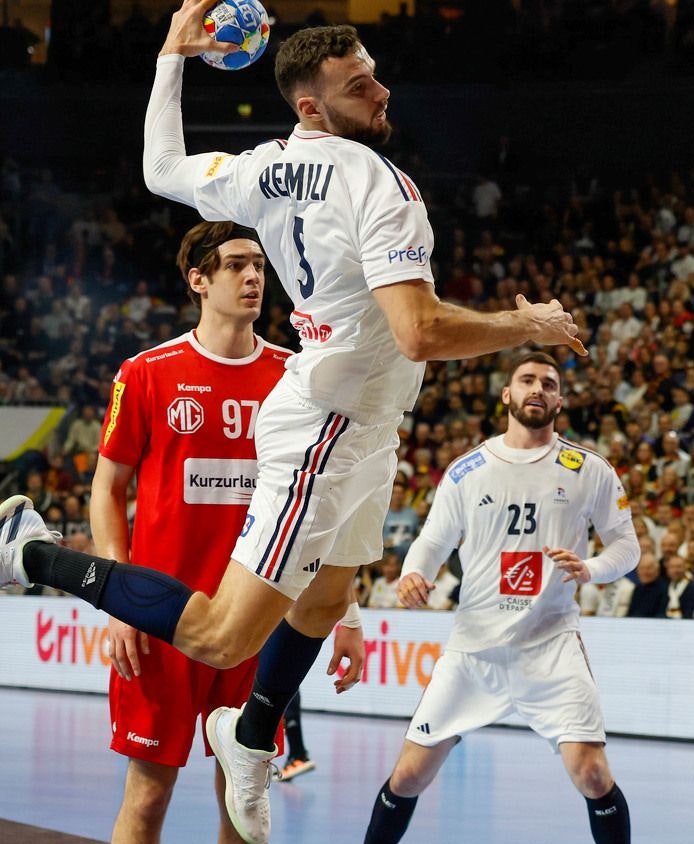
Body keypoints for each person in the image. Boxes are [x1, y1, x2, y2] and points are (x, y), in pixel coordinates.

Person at [0, 11, 585, 842]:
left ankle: (250, 734)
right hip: (329, 421)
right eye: (359, 85)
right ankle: (30, 551)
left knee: (325, 598)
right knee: (216, 633)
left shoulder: (262, 169)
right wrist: (523, 325)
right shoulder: (380, 184)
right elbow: (419, 331)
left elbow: (160, 165)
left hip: (365, 421)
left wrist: (171, 58)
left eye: (375, 73)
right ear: (311, 106)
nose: (382, 91)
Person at [93, 221, 358, 844]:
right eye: (237, 264)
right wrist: (117, 602)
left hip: (259, 619)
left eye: (261, 266)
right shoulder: (147, 372)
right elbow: (106, 490)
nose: (253, 277)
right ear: (198, 280)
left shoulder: (299, 378)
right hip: (164, 620)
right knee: (148, 795)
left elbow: (332, 505)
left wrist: (344, 613)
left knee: (244, 804)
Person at [362, 352, 638, 844]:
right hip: (474, 650)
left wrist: (590, 568)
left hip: (551, 644)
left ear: (559, 399)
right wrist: (414, 573)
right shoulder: (469, 470)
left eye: (549, 383)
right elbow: (432, 540)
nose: (538, 388)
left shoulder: (589, 469)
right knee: (407, 776)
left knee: (593, 774)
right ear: (506, 395)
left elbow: (627, 546)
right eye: (527, 380)